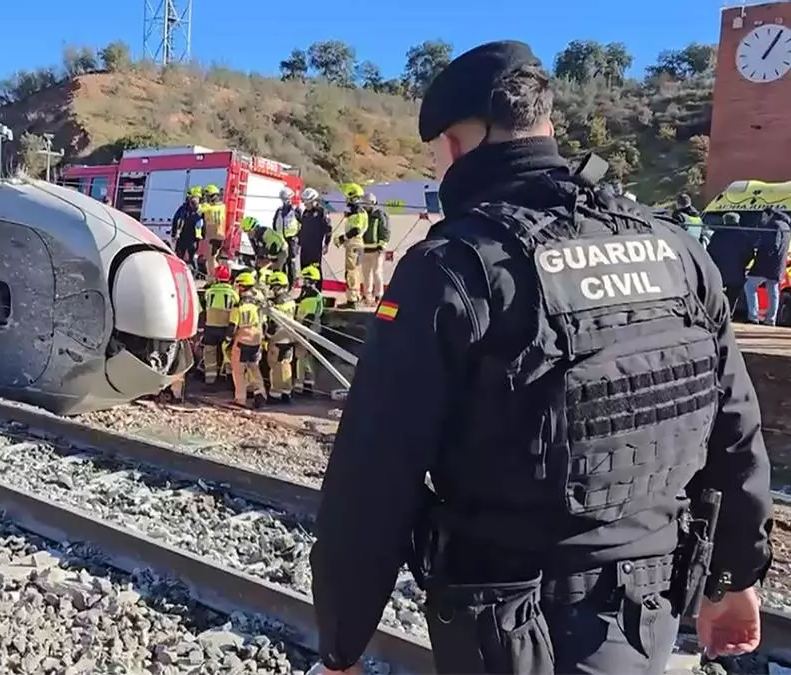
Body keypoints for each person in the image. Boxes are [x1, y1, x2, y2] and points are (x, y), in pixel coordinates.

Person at [310, 40, 772, 675]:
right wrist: (733, 577)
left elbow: (373, 477)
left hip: (510, 624)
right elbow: (735, 429)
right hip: (653, 608)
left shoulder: (452, 268)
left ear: (455, 146)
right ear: (546, 127)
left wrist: (341, 643)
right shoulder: (676, 251)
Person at [708, 211, 759, 321]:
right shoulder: (744, 235)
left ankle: (716, 314)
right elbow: (750, 254)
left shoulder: (718, 234)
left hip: (718, 271)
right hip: (737, 272)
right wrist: (743, 264)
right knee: (733, 296)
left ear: (725, 221)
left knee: (717, 293)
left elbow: (709, 251)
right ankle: (728, 315)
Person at [746, 208, 791, 325]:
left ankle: (753, 316)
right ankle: (771, 319)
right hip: (778, 265)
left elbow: (772, 245)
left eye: (763, 215)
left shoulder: (772, 225)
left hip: (766, 264)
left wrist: (759, 250)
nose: (762, 218)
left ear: (769, 215)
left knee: (749, 286)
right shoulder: (786, 226)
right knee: (773, 291)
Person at [228, 271, 266, 408]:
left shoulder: (238, 306)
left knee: (238, 371)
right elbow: (264, 324)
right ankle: (260, 393)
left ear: (242, 287)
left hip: (242, 341)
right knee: (254, 368)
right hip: (256, 340)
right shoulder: (258, 305)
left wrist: (227, 340)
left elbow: (232, 326)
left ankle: (240, 399)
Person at [200, 264, 239, 385]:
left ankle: (210, 378)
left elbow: (204, 307)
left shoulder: (209, 292)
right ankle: (229, 378)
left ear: (216, 278)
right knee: (227, 352)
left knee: (209, 351)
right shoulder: (233, 294)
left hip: (210, 327)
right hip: (226, 328)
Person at [332, 184, 368, 309]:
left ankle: (352, 300)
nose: (346, 200)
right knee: (355, 272)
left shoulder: (358, 212)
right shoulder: (358, 212)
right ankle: (355, 297)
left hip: (354, 244)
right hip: (357, 244)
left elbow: (356, 230)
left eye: (347, 198)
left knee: (351, 272)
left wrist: (343, 238)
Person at [263, 271, 296, 403]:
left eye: (274, 287)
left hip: (277, 339)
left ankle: (275, 395)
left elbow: (274, 323)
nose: (272, 290)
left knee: (275, 367)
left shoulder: (277, 303)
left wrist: (267, 336)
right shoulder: (291, 300)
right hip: (289, 337)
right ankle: (286, 393)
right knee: (286, 365)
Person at [293, 264, 325, 395]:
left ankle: (299, 385)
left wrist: (301, 331)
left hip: (307, 329)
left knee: (301, 357)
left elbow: (309, 316)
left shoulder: (312, 296)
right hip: (309, 329)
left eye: (304, 279)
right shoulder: (308, 294)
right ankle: (308, 383)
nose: (302, 282)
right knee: (306, 358)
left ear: (310, 280)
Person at [359, 193, 390, 305]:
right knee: (366, 274)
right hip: (364, 249)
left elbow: (385, 231)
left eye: (367, 203)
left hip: (377, 250)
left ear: (373, 203)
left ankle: (379, 295)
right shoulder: (362, 215)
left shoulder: (380, 215)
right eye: (364, 203)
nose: (366, 206)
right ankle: (367, 295)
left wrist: (382, 245)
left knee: (377, 273)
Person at [273, 188, 303, 281]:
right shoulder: (279, 211)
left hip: (292, 240)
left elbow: (303, 225)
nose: (285, 200)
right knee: (282, 261)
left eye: (286, 198)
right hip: (281, 240)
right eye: (283, 198)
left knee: (291, 262)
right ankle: (282, 282)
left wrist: (298, 237)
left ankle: (291, 283)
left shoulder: (296, 210)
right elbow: (274, 224)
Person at [298, 188, 331, 272]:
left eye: (307, 203)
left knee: (315, 270)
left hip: (315, 248)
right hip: (305, 247)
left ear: (313, 201)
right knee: (304, 270)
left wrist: (326, 244)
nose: (305, 205)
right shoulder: (305, 212)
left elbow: (328, 230)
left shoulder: (322, 212)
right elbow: (303, 228)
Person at [172, 187, 204, 271]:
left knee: (189, 257)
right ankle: (180, 271)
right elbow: (176, 220)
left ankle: (191, 273)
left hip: (191, 238)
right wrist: (174, 233)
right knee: (183, 257)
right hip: (185, 237)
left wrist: (202, 235)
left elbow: (204, 224)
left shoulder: (200, 210)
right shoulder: (185, 209)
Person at [199, 185, 227, 278]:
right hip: (218, 236)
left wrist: (201, 200)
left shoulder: (209, 208)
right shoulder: (222, 207)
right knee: (211, 258)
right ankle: (217, 276)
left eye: (208, 196)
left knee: (211, 259)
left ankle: (213, 277)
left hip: (213, 236)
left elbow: (199, 209)